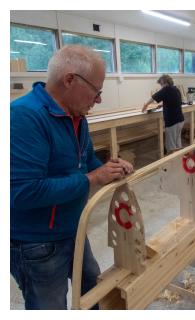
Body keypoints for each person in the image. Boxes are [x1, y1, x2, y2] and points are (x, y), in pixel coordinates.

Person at [10, 45, 133, 310]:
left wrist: (110, 170)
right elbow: (22, 192)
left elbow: (88, 163)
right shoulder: (24, 117)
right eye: (97, 91)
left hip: (72, 229)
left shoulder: (77, 116)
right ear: (69, 80)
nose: (98, 99)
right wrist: (92, 178)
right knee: (50, 306)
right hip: (37, 243)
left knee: (93, 286)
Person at [142, 74, 184, 154]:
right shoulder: (176, 89)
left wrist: (146, 105)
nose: (161, 86)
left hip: (172, 122)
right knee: (177, 141)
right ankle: (180, 159)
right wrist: (163, 104)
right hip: (180, 120)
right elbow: (176, 102)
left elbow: (153, 97)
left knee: (171, 145)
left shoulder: (166, 89)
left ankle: (172, 162)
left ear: (165, 82)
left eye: (161, 84)